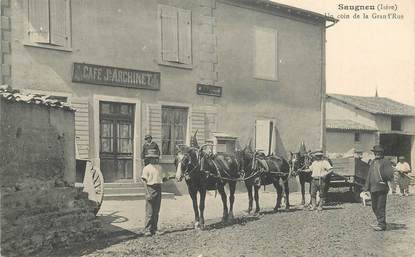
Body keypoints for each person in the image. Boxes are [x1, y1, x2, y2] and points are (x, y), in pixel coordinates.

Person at [363, 145, 394, 231]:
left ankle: (381, 224)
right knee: (374, 206)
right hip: (373, 188)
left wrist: (384, 179)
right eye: (375, 152)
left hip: (382, 187)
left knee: (380, 206)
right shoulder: (373, 162)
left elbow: (390, 174)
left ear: (382, 153)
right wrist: (366, 187)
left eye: (378, 152)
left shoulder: (385, 161)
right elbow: (369, 174)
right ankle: (380, 221)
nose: (377, 154)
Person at [141, 154, 166, 236]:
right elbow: (144, 181)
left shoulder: (159, 168)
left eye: (155, 158)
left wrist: (171, 177)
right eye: (152, 158)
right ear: (149, 159)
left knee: (156, 211)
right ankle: (147, 229)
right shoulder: (146, 168)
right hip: (150, 188)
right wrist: (147, 193)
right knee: (149, 211)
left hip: (158, 189)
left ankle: (154, 229)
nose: (154, 159)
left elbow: (161, 179)